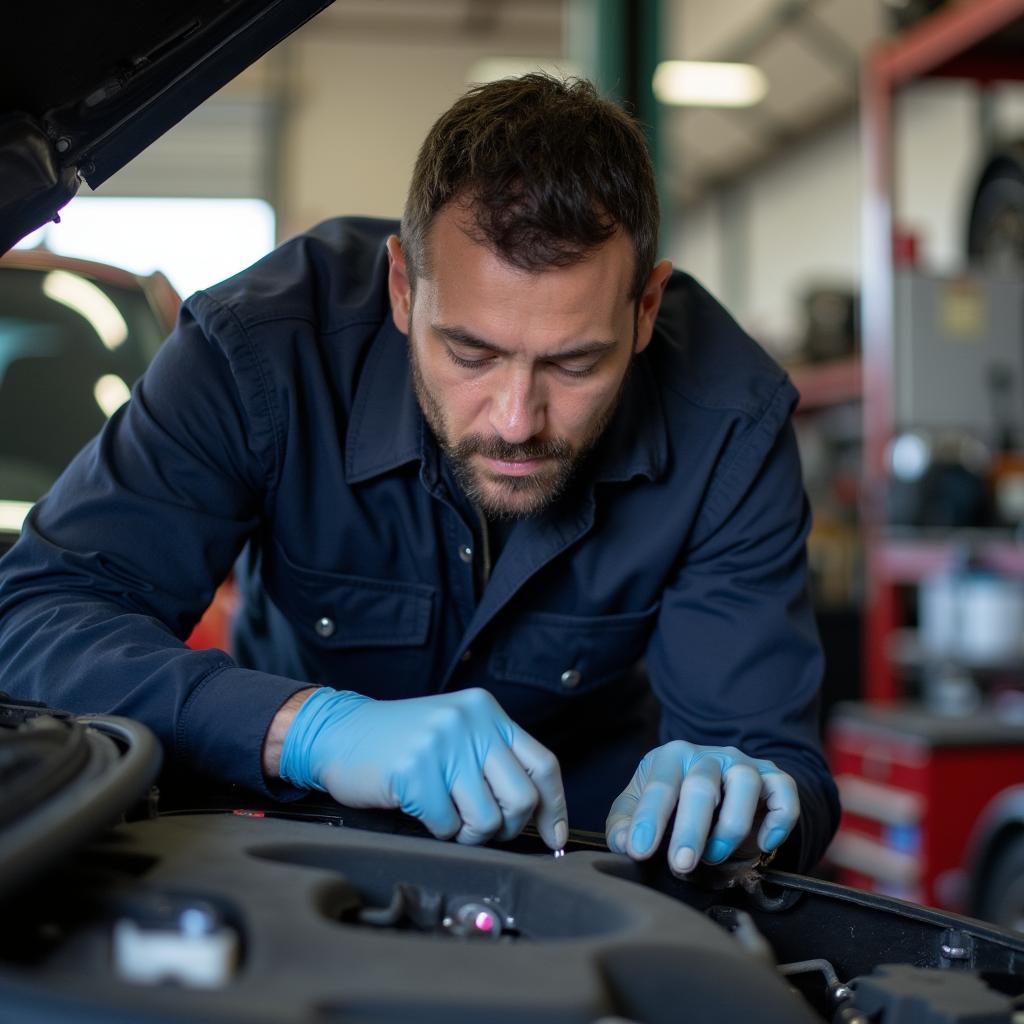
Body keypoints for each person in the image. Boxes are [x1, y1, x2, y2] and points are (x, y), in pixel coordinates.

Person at [0, 74, 839, 875]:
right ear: (403, 288)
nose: (517, 419)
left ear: (646, 310)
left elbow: (770, 758)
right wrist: (310, 730)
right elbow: (33, 618)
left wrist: (744, 802)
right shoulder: (260, 352)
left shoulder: (730, 418)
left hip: (589, 871)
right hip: (285, 847)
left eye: (575, 364)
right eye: (470, 352)